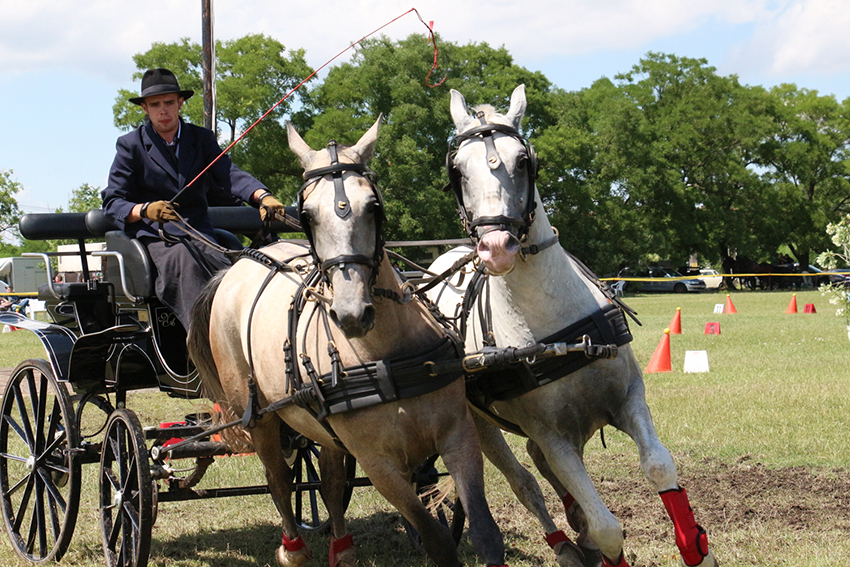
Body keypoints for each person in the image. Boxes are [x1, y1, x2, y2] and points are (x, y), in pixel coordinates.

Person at [102, 68, 285, 332]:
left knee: (237, 266)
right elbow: (112, 202)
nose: (163, 110)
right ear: (145, 108)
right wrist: (145, 210)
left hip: (200, 233)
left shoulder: (200, 138)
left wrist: (263, 196)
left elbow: (228, 173)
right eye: (155, 105)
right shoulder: (131, 145)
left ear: (180, 103)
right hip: (158, 238)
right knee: (184, 261)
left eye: (168, 103)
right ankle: (203, 338)